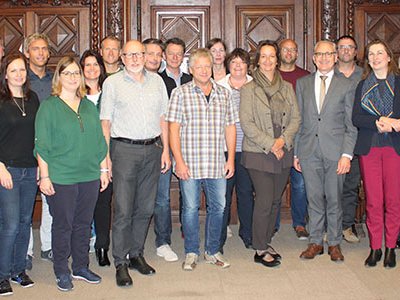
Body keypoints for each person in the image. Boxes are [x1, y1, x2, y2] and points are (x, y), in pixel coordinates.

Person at [34, 56, 109, 292]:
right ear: (59, 77)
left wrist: (103, 169)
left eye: (76, 73)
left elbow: (99, 141)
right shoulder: (49, 106)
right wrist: (45, 176)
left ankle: (80, 266)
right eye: (67, 73)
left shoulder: (87, 105)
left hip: (89, 175)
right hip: (61, 177)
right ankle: (61, 270)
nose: (73, 77)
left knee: (84, 224)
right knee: (63, 225)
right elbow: (41, 145)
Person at [100, 40, 170, 287]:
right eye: (130, 55)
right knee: (123, 209)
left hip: (153, 149)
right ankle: (120, 261)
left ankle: (136, 254)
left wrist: (166, 151)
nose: (135, 59)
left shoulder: (157, 82)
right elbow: (105, 122)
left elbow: (163, 118)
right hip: (124, 151)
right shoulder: (112, 83)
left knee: (145, 207)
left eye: (139, 54)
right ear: (122, 57)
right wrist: (105, 158)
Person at [167, 48, 237, 271]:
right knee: (190, 208)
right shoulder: (180, 93)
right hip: (190, 163)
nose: (204, 70)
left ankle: (213, 250)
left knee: (219, 206)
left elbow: (230, 128)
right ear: (191, 69)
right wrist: (178, 161)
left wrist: (231, 159)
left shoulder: (224, 93)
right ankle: (191, 251)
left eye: (207, 66)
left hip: (216, 162)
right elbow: (173, 130)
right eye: (199, 67)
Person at [295, 40, 357, 262]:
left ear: (335, 57)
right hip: (309, 151)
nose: (323, 58)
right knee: (313, 199)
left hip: (336, 153)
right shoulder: (302, 84)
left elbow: (351, 125)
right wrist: (296, 153)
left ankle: (334, 243)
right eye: (319, 54)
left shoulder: (347, 85)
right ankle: (315, 242)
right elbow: (299, 121)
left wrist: (347, 155)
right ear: (313, 57)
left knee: (334, 199)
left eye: (328, 54)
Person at [240, 40, 300, 267]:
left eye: (271, 56)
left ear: (277, 59)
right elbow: (247, 123)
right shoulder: (249, 89)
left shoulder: (286, 88)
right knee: (265, 201)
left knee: (275, 200)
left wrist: (283, 141)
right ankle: (259, 248)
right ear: (258, 60)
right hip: (258, 152)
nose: (267, 61)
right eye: (263, 56)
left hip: (283, 151)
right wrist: (271, 144)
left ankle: (265, 239)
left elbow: (296, 118)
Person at [352, 39, 400, 268]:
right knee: (373, 201)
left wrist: (394, 124)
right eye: (371, 54)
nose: (375, 57)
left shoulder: (399, 83)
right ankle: (375, 248)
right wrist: (377, 120)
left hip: (394, 148)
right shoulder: (362, 86)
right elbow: (356, 118)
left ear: (389, 57)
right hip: (369, 147)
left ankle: (391, 247)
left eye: (380, 53)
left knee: (393, 200)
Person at [0, 54, 39, 296]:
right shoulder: (1, 101)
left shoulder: (32, 98)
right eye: (13, 70)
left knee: (26, 223)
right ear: (5, 74)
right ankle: (2, 275)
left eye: (22, 70)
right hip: (8, 170)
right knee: (11, 224)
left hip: (30, 168)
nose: (18, 74)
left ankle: (18, 269)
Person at [154, 38, 192, 262]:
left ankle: (189, 233)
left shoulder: (191, 79)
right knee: (162, 197)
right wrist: (165, 149)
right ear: (164, 56)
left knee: (190, 194)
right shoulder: (156, 81)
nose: (175, 57)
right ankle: (163, 241)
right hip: (164, 145)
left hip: (189, 145)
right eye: (171, 53)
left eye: (179, 53)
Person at [217, 48, 254, 251]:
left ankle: (247, 233)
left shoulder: (255, 85)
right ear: (228, 66)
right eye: (234, 62)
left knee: (246, 193)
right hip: (224, 150)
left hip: (249, 149)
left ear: (247, 65)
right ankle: (219, 237)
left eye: (242, 62)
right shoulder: (218, 86)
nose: (238, 66)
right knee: (222, 195)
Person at [80, 50, 112, 267]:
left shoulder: (110, 91)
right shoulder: (74, 93)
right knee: (82, 204)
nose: (92, 69)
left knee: (103, 203)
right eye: (87, 65)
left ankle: (102, 247)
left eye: (95, 64)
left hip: (107, 155)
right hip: (81, 157)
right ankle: (81, 246)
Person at [24, 33, 54, 268]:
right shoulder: (21, 80)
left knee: (49, 200)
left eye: (44, 48)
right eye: (36, 49)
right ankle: (26, 250)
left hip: (51, 149)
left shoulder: (56, 80)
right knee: (24, 205)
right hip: (24, 148)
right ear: (27, 53)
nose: (41, 53)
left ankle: (48, 245)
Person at [278, 38, 310, 240]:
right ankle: (271, 224)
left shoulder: (306, 77)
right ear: (279, 52)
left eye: (293, 50)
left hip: (300, 138)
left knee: (300, 184)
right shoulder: (270, 74)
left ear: (297, 53)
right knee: (274, 185)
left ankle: (299, 223)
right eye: (285, 49)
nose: (289, 53)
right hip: (277, 140)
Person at [335, 35, 364, 243]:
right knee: (328, 186)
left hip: (357, 138)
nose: (346, 50)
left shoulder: (364, 76)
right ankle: (330, 225)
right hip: (330, 139)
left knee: (351, 185)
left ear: (355, 52)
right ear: (336, 52)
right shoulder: (326, 74)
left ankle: (346, 225)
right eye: (341, 47)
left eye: (350, 47)